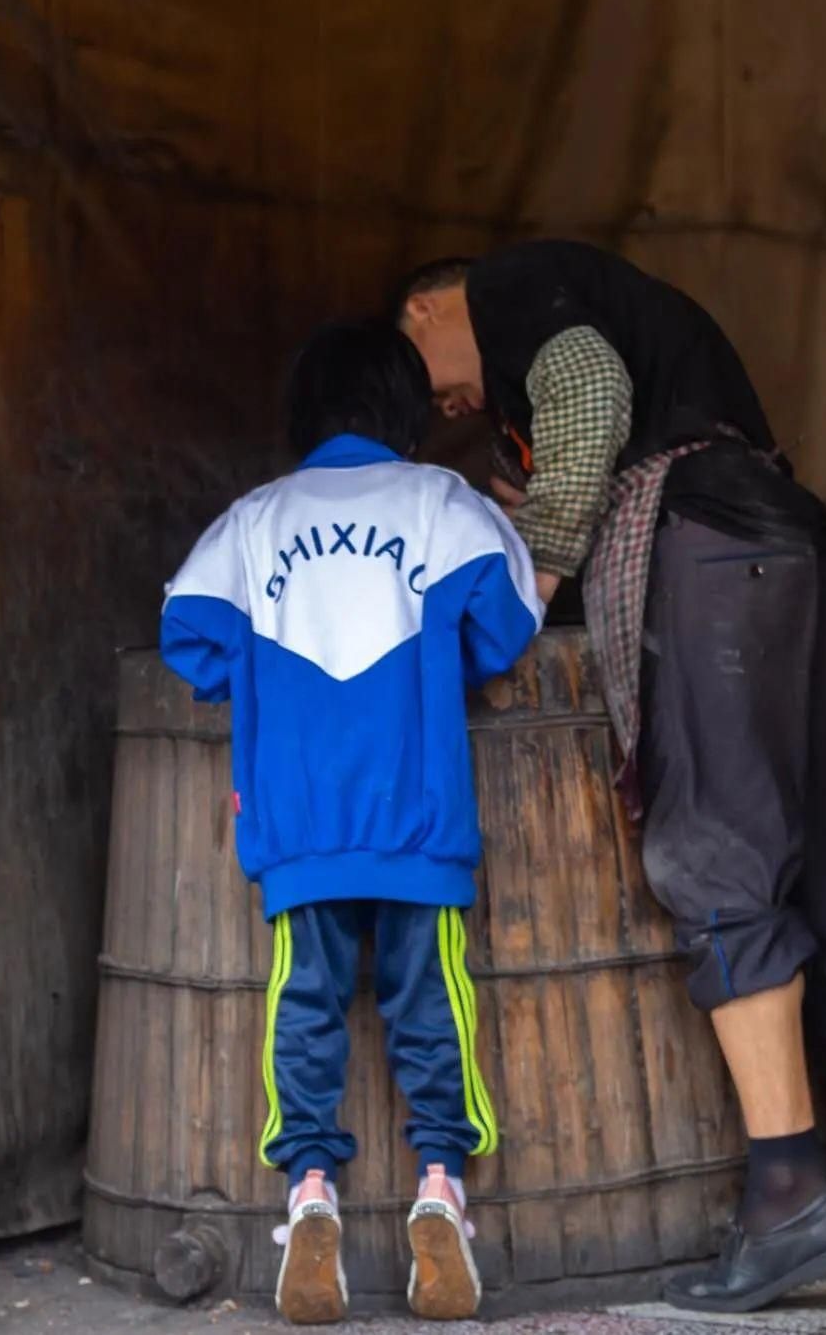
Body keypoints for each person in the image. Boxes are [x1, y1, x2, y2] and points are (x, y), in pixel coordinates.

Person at [397, 242, 826, 1314]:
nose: (451, 402)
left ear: (428, 308)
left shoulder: (519, 292)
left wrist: (538, 574)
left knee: (711, 848)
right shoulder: (614, 319)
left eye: (428, 371)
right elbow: (584, 411)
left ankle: (793, 1188)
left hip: (712, 558)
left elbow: (590, 393)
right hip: (789, 546)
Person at [160, 319, 543, 1323]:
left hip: (297, 822)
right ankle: (440, 1188)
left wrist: (256, 679)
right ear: (403, 410)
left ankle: (312, 1194)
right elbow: (507, 624)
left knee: (306, 1004)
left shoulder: (254, 519)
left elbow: (186, 632)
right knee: (433, 1006)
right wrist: (437, 666)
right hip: (418, 815)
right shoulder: (439, 503)